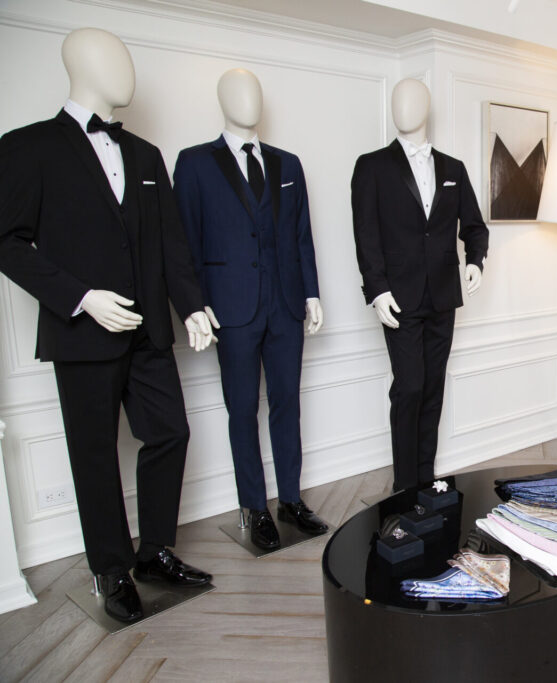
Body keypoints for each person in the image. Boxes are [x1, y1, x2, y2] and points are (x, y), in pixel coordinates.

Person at [0, 28, 215, 623]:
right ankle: (111, 569)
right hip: (82, 333)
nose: (129, 72)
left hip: (147, 332)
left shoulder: (145, 154)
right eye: (115, 59)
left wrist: (191, 306)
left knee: (170, 433)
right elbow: (8, 242)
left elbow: (171, 242)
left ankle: (155, 553)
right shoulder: (28, 147)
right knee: (94, 453)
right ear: (80, 65)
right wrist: (80, 298)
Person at [173, 68, 328, 550]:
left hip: (286, 304)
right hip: (231, 307)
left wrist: (311, 293)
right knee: (241, 409)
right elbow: (184, 240)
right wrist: (195, 303)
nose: (249, 100)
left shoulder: (288, 164)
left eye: (255, 92)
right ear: (222, 100)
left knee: (287, 403)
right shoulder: (195, 163)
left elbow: (301, 235)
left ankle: (291, 500)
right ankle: (254, 507)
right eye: (239, 92)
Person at [351, 78, 489, 492]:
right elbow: (366, 234)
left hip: (443, 296)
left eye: (411, 100)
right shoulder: (372, 166)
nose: (403, 107)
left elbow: (475, 226)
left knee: (432, 389)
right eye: (397, 100)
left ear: (426, 107)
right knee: (409, 386)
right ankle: (403, 487)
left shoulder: (453, 168)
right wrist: (377, 289)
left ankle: (425, 483)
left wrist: (476, 260)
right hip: (399, 298)